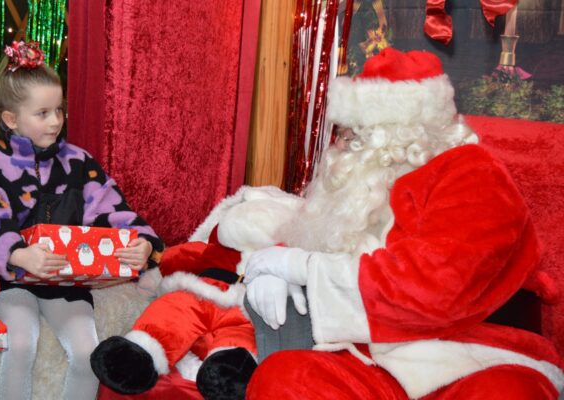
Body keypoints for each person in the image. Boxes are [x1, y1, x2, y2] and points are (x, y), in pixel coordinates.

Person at [242, 48, 564, 399]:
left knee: (505, 394)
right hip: (373, 363)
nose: (342, 145)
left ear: (392, 134)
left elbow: (437, 286)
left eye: (353, 134)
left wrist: (304, 267)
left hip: (475, 357)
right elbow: (319, 238)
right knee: (284, 378)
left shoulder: (473, 173)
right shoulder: (359, 188)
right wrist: (274, 270)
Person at [0, 40, 164, 400]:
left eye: (59, 111)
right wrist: (18, 254)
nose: (55, 121)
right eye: (42, 113)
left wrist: (143, 244)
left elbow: (112, 207)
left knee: (88, 351)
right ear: (11, 119)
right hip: (10, 281)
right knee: (21, 341)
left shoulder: (78, 162)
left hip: (67, 281)